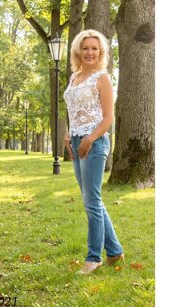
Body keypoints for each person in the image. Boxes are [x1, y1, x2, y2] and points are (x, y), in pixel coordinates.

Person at [63, 29, 124, 274]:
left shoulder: (102, 78)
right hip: (77, 141)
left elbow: (108, 117)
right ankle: (115, 251)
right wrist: (70, 135)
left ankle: (93, 257)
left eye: (94, 48)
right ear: (78, 50)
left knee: (92, 201)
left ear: (101, 52)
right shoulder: (74, 77)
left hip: (95, 142)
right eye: (85, 48)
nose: (90, 52)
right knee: (92, 201)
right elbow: (76, 110)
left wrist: (89, 138)